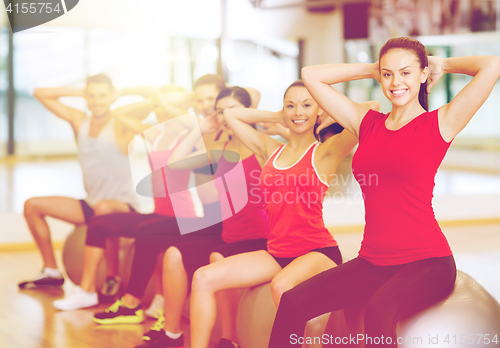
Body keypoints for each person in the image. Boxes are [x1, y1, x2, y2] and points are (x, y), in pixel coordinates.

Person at [268, 37, 500, 348]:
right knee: (293, 302)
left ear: (422, 74)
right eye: (388, 74)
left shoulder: (440, 123)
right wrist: (370, 69)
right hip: (374, 260)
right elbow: (311, 75)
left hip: (427, 261)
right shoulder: (367, 123)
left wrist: (441, 64)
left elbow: (492, 65)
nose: (395, 82)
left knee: (379, 310)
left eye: (405, 72)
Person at [188, 81, 372, 348]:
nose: (298, 111)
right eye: (291, 105)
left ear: (318, 110)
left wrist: (324, 112)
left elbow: (371, 108)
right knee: (203, 277)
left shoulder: (324, 152)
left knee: (281, 286)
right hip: (276, 252)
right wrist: (278, 116)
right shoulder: (270, 150)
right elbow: (232, 115)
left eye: (307, 105)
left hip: (317, 250)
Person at [135, 86, 270, 348]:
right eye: (221, 112)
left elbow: (254, 94)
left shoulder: (261, 145)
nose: (225, 117)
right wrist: (200, 128)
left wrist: (246, 116)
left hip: (258, 237)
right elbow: (173, 163)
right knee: (174, 254)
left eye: (232, 111)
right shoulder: (218, 146)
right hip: (227, 235)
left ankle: (229, 339)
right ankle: (172, 335)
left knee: (217, 258)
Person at [18, 74, 153, 290]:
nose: (97, 101)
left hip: (123, 206)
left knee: (103, 208)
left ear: (111, 96)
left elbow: (153, 94)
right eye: (92, 96)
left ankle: (113, 277)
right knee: (31, 206)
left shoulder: (121, 125)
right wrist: (82, 93)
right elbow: (39, 93)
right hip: (91, 204)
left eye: (103, 96)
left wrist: (119, 94)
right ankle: (51, 271)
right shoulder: (79, 120)